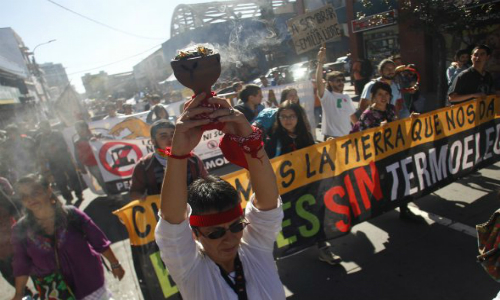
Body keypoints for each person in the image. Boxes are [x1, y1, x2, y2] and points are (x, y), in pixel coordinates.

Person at [155, 93, 286, 299]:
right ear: (195, 234)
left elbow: (268, 203)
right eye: (215, 233)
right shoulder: (190, 270)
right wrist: (178, 154)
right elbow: (172, 223)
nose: (230, 238)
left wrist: (250, 141)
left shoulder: (254, 248)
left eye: (236, 226)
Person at [10, 174, 125, 300]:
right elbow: (21, 264)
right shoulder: (20, 229)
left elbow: (98, 240)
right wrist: (19, 294)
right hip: (54, 291)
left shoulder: (71, 214)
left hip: (90, 283)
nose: (30, 199)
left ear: (48, 191)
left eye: (35, 193)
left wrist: (115, 264)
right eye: (24, 196)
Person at [351, 81, 422, 222]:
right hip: (379, 156)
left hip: (395, 150)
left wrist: (410, 120)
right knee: (382, 183)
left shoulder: (390, 108)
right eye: (380, 94)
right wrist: (377, 130)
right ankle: (372, 210)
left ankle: (404, 209)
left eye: (386, 94)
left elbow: (396, 127)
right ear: (373, 96)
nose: (383, 97)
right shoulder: (368, 115)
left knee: (401, 178)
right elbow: (362, 137)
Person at [129, 120, 207, 201]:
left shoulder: (192, 159)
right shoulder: (144, 165)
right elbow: (134, 192)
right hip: (163, 212)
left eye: (173, 135)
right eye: (163, 136)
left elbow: (206, 181)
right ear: (153, 141)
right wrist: (142, 198)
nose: (170, 139)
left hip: (195, 209)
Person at [36, 120, 83, 205]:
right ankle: (68, 197)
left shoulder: (57, 134)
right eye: (42, 128)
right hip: (53, 163)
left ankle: (79, 193)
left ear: (49, 126)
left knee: (73, 176)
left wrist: (56, 148)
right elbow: (40, 150)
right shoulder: (40, 138)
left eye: (45, 127)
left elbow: (65, 144)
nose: (44, 129)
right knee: (60, 181)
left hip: (65, 159)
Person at [316, 46, 356, 140]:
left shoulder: (346, 97)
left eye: (342, 80)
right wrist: (320, 62)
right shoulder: (326, 96)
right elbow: (318, 82)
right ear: (330, 82)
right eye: (338, 81)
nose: (341, 83)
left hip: (348, 138)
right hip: (332, 139)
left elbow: (353, 118)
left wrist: (361, 130)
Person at [74, 121, 111, 197]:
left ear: (86, 128)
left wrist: (98, 139)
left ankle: (117, 195)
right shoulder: (77, 142)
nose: (80, 131)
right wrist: (81, 167)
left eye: (81, 129)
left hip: (104, 163)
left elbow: (108, 144)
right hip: (92, 165)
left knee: (110, 179)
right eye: (78, 130)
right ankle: (110, 196)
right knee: (101, 181)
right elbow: (77, 156)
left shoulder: (97, 136)